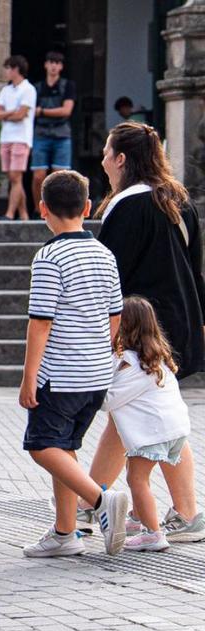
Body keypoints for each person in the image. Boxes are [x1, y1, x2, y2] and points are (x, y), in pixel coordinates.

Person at [85, 121, 205, 542]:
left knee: (135, 414)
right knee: (143, 417)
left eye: (106, 152)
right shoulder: (179, 200)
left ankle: (91, 503)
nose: (101, 159)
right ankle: (91, 501)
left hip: (139, 330)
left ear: (121, 159)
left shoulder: (126, 206)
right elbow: (196, 270)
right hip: (179, 324)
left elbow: (109, 277)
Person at [19, 170, 128, 558]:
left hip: (61, 374)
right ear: (86, 208)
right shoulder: (104, 254)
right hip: (97, 373)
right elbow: (116, 316)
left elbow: (41, 323)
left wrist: (28, 378)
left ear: (42, 208)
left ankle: (101, 501)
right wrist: (107, 358)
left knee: (42, 446)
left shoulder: (49, 257)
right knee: (64, 449)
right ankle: (65, 533)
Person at [100, 296, 192, 552]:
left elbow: (109, 401)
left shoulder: (132, 363)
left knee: (136, 479)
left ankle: (154, 534)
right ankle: (138, 518)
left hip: (154, 434)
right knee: (135, 467)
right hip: (175, 430)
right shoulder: (157, 356)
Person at [0, 55, 37, 221]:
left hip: (21, 138)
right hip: (6, 138)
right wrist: (10, 112)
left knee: (16, 177)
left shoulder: (28, 89)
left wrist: (6, 114)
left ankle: (10, 214)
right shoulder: (6, 90)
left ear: (16, 69)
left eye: (8, 68)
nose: (6, 72)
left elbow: (22, 115)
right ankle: (24, 215)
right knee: (13, 177)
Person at [30, 52, 76, 206]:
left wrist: (42, 111)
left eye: (57, 63)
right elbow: (30, 110)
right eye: (51, 62)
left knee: (59, 177)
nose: (54, 66)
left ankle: (56, 209)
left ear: (61, 66)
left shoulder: (68, 86)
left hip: (61, 134)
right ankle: (38, 210)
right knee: (38, 176)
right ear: (45, 65)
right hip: (41, 133)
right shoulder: (37, 87)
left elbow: (66, 111)